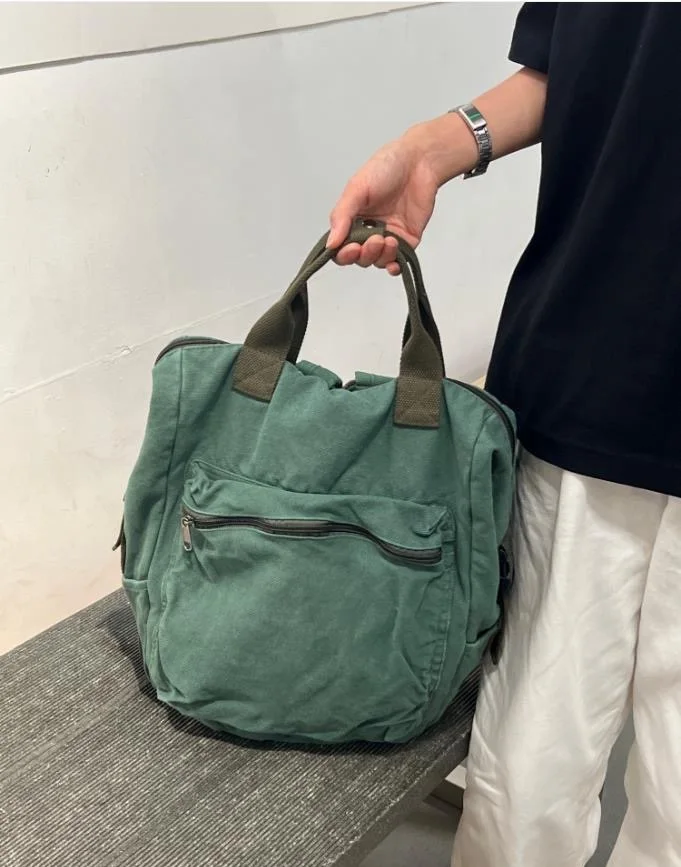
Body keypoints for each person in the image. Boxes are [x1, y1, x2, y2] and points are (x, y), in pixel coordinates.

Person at [328, 4, 681, 866]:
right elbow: (573, 69)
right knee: (520, 793)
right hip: (582, 370)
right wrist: (435, 146)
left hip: (587, 372)